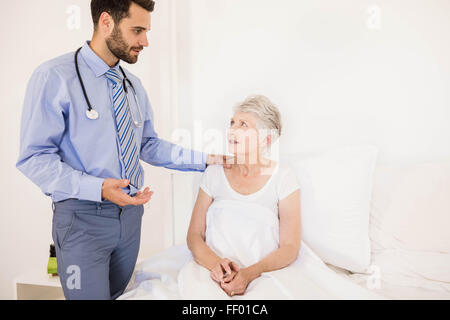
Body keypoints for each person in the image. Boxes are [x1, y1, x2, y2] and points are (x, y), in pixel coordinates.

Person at [16, 0, 227, 300]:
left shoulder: (133, 85)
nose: (145, 41)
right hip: (82, 220)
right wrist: (99, 188)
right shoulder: (55, 77)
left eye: (147, 31)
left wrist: (206, 160)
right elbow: (34, 159)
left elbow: (148, 145)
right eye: (137, 30)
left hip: (129, 220)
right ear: (106, 22)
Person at [185, 95, 302, 298]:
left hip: (263, 275)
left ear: (265, 139)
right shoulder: (214, 172)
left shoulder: (283, 176)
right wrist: (216, 266)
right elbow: (194, 236)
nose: (232, 130)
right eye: (232, 123)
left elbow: (290, 247)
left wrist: (249, 273)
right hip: (210, 272)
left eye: (243, 125)